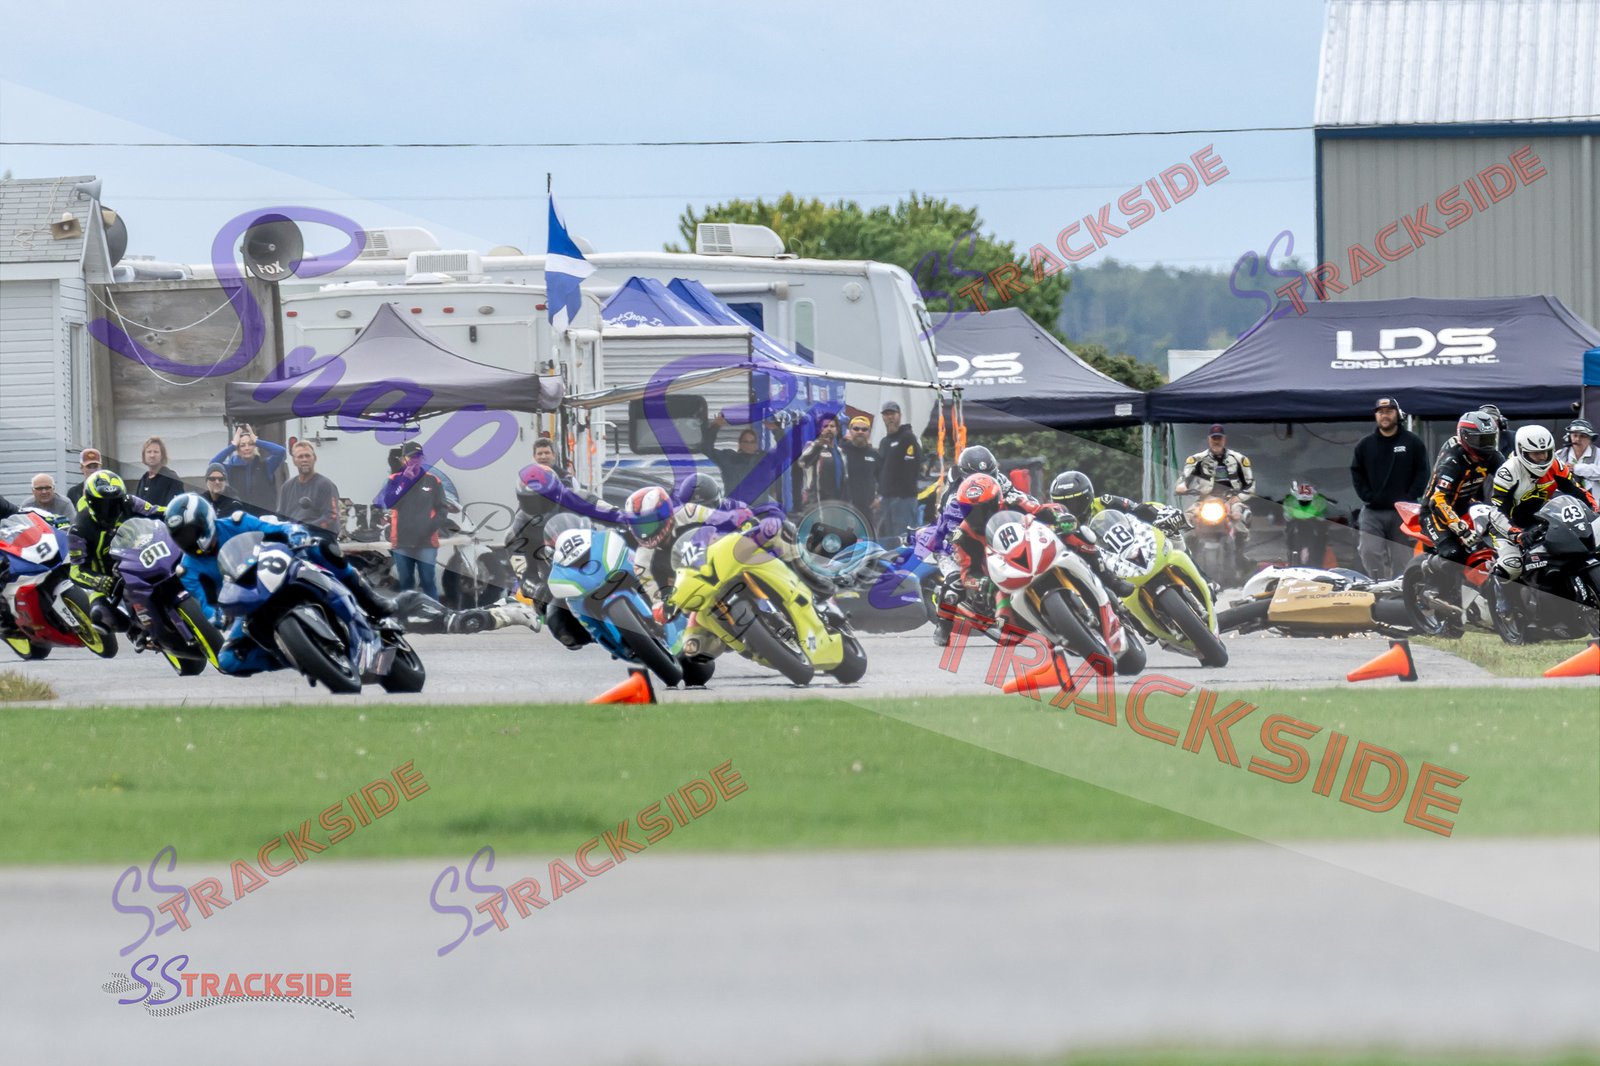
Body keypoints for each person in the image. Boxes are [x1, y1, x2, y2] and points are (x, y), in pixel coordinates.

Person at [162, 493, 392, 674]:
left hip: (275, 570)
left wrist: (293, 532)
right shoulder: (187, 569)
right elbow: (205, 603)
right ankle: (293, 656)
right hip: (246, 603)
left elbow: (274, 529)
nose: (188, 540)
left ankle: (370, 601)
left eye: (190, 532)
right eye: (180, 537)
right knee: (228, 661)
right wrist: (218, 616)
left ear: (205, 521)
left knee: (323, 550)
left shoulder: (237, 522)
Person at [1485, 425, 1597, 580]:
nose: (1543, 457)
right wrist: (1519, 535)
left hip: (1538, 521)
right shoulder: (1508, 473)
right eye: (1536, 453)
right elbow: (1498, 512)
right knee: (1512, 566)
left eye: (1546, 451)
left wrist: (1595, 510)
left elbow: (1576, 490)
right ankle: (1495, 593)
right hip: (1507, 527)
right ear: (1522, 451)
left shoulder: (1555, 464)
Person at [1418, 410, 1503, 607]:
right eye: (1481, 440)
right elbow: (1438, 500)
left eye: (1490, 439)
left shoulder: (1492, 456)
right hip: (1435, 511)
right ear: (1466, 438)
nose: (1487, 445)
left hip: (1467, 505)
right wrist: (1461, 530)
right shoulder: (1453, 460)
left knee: (1491, 543)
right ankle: (1429, 571)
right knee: (1455, 554)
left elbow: (1509, 478)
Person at [66, 471, 165, 628]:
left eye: (115, 503)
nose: (109, 510)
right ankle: (136, 630)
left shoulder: (130, 502)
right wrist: (99, 581)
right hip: (108, 580)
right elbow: (76, 570)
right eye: (102, 505)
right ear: (91, 502)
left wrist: (178, 513)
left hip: (140, 560)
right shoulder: (79, 528)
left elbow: (156, 511)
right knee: (101, 616)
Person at [1349, 397, 1430, 579]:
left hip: (1403, 512)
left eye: (1389, 412)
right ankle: (1378, 583)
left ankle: (1400, 589)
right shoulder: (1365, 445)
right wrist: (1367, 496)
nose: (1384, 416)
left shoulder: (1413, 442)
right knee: (1369, 551)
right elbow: (1356, 473)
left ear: (1397, 414)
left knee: (1402, 558)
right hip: (1372, 511)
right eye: (1380, 412)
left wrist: (1410, 497)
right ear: (1376, 416)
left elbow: (1423, 472)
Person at [379, 441, 449, 601]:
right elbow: (390, 502)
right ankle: (409, 613)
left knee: (428, 581)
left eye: (418, 457)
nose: (414, 460)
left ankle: (434, 612)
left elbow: (442, 509)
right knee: (406, 583)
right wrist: (405, 481)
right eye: (411, 457)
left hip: (426, 541)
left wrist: (430, 526)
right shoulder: (394, 479)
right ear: (403, 459)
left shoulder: (433, 480)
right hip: (402, 541)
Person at [1174, 423, 1254, 555]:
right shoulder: (1197, 460)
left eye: (1219, 438)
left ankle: (1240, 555)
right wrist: (1182, 486)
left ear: (1224, 439)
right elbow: (1185, 477)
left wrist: (1238, 497)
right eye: (1214, 438)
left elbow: (1250, 485)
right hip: (1204, 500)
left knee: (1240, 518)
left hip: (1230, 500)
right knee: (1187, 520)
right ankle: (1189, 555)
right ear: (1209, 439)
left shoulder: (1239, 459)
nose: (1216, 441)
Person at [210, 423, 287, 511]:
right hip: (241, 516)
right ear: (238, 449)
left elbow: (281, 452)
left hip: (264, 517)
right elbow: (213, 464)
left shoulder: (266, 466)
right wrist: (233, 445)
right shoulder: (231, 469)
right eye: (242, 445)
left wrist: (257, 441)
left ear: (255, 446)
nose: (247, 448)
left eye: (250, 444)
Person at [876, 401, 921, 545]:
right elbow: (880, 470)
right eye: (886, 414)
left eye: (893, 414)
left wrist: (900, 494)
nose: (890, 417)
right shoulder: (884, 442)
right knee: (889, 540)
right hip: (886, 500)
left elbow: (913, 468)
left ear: (899, 416)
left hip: (904, 499)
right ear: (883, 417)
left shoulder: (908, 438)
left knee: (904, 540)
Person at [276, 440, 340, 531]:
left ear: (314, 458)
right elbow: (281, 516)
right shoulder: (287, 487)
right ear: (294, 461)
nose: (304, 460)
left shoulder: (326, 485)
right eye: (300, 456)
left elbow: (331, 516)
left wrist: (306, 528)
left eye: (307, 456)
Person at [798, 413, 846, 506]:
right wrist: (818, 446)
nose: (829, 429)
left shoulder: (840, 452)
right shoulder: (813, 446)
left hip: (836, 502)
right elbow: (802, 463)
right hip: (817, 501)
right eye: (825, 426)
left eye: (832, 426)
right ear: (820, 430)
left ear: (837, 430)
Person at [840, 415, 881, 522]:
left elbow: (883, 479)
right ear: (850, 431)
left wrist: (880, 498)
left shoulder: (874, 455)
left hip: (867, 510)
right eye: (856, 428)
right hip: (843, 508)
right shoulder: (841, 451)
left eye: (864, 429)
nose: (860, 432)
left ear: (869, 433)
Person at [133, 436, 185, 508]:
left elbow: (176, 508)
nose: (152, 455)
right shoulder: (143, 479)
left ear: (162, 455)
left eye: (156, 452)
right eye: (149, 452)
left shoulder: (171, 479)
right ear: (144, 455)